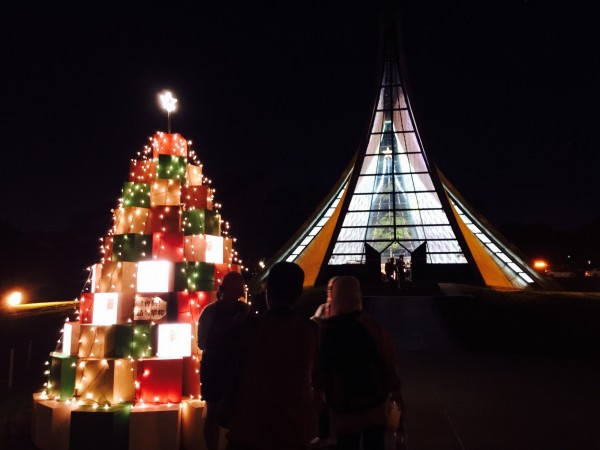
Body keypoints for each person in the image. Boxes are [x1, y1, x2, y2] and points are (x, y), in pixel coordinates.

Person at [226, 262, 320, 450]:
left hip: (250, 427)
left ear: (268, 291)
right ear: (299, 293)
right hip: (293, 428)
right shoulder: (310, 331)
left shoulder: (249, 327)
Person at [315, 276, 403, 450]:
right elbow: (388, 359)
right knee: (375, 443)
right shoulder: (371, 325)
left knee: (347, 443)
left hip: (343, 403)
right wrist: (395, 391)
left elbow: (318, 366)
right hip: (374, 402)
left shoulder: (325, 329)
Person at [197, 271, 250, 450]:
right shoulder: (212, 312)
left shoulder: (242, 313)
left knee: (232, 413)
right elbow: (203, 342)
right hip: (217, 367)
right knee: (214, 413)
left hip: (231, 367)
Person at [309, 276, 340, 448]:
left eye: (332, 290)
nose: (329, 293)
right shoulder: (323, 308)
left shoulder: (342, 311)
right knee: (324, 402)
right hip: (323, 360)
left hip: (336, 362)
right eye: (328, 290)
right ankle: (324, 434)